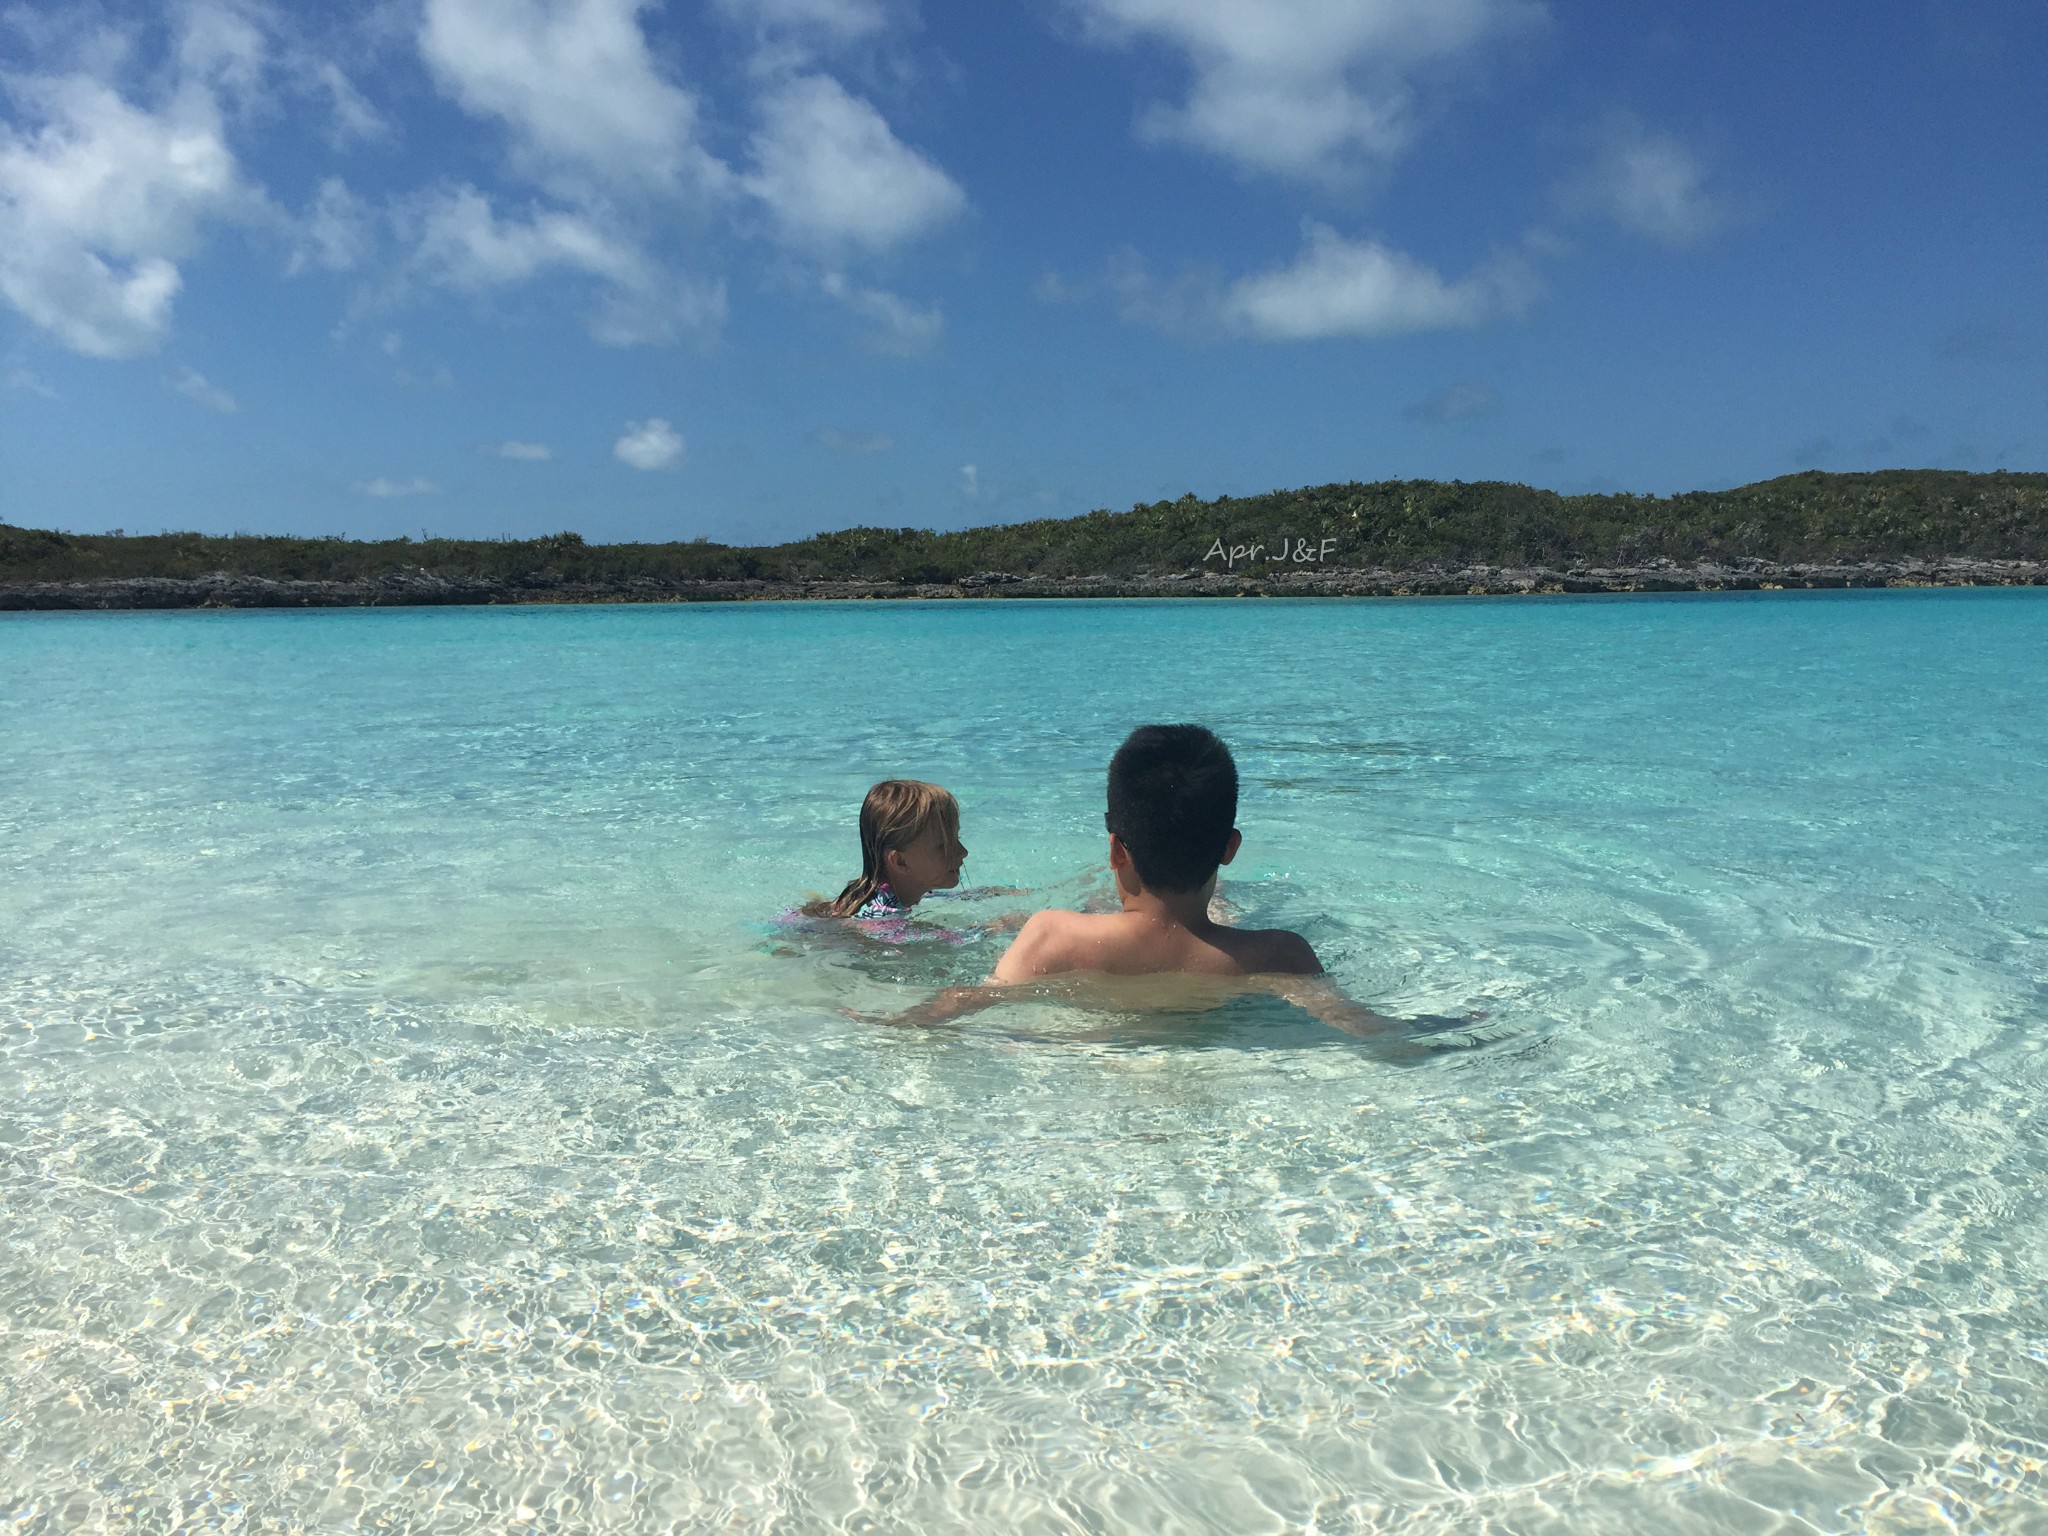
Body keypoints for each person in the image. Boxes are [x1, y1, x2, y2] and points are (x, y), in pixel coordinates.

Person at [990, 723, 1318, 982]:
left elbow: (972, 1008)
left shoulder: (1052, 938)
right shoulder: (1282, 956)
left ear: (1116, 851)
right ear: (1230, 848)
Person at [805, 779, 968, 925]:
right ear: (900, 862)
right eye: (944, 845)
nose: (963, 852)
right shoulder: (880, 918)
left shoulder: (904, 889)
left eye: (957, 837)